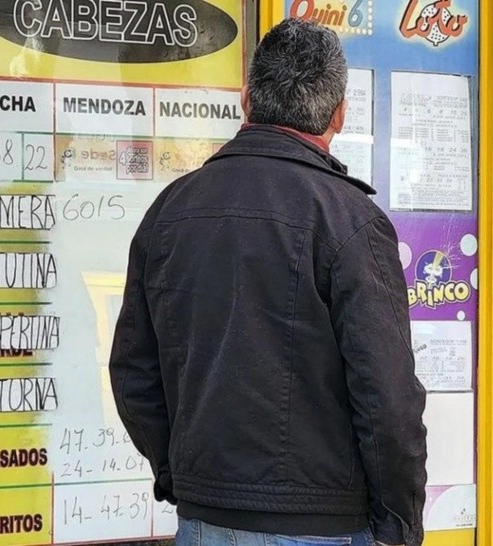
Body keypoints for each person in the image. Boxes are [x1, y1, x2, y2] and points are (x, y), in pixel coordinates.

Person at [109, 18, 427, 546]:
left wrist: (180, 474)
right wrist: (399, 525)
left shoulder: (169, 212)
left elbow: (133, 373)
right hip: (323, 524)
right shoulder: (351, 222)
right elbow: (387, 401)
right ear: (340, 115)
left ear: (245, 100)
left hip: (202, 518)